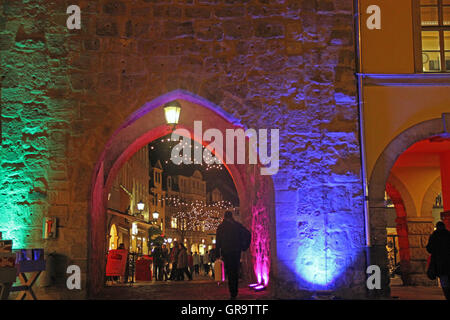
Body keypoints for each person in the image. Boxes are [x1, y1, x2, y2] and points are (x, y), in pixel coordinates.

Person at [216, 210, 250, 300]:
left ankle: (233, 293)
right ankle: (234, 291)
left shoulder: (221, 227)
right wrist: (244, 246)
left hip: (226, 252)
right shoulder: (237, 226)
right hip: (236, 251)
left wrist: (217, 254)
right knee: (234, 271)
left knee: (230, 272)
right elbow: (248, 233)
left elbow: (218, 241)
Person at [426, 221, 450, 300]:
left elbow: (429, 249)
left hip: (439, 262)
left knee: (444, 280)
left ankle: (447, 295)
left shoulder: (434, 236)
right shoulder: (448, 234)